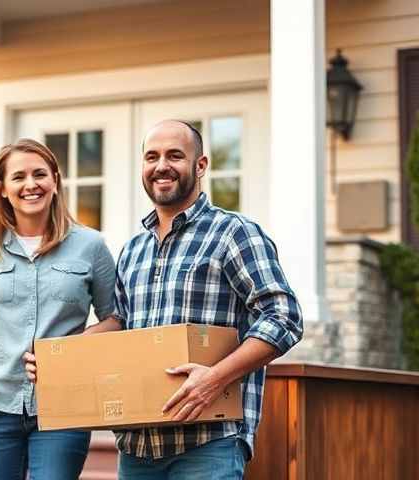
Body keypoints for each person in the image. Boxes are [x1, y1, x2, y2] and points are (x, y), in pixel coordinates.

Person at [25, 120, 303, 479]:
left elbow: (284, 316)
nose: (161, 166)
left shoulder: (234, 233)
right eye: (151, 157)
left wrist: (215, 378)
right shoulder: (134, 249)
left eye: (175, 155)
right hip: (139, 447)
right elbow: (120, 323)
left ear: (200, 166)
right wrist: (58, 357)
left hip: (207, 442)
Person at [0, 138, 119, 480]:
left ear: (54, 180)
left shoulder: (91, 246)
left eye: (40, 174)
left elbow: (115, 318)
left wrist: (71, 347)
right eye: (18, 177)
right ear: (3, 188)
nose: (30, 184)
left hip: (66, 402)